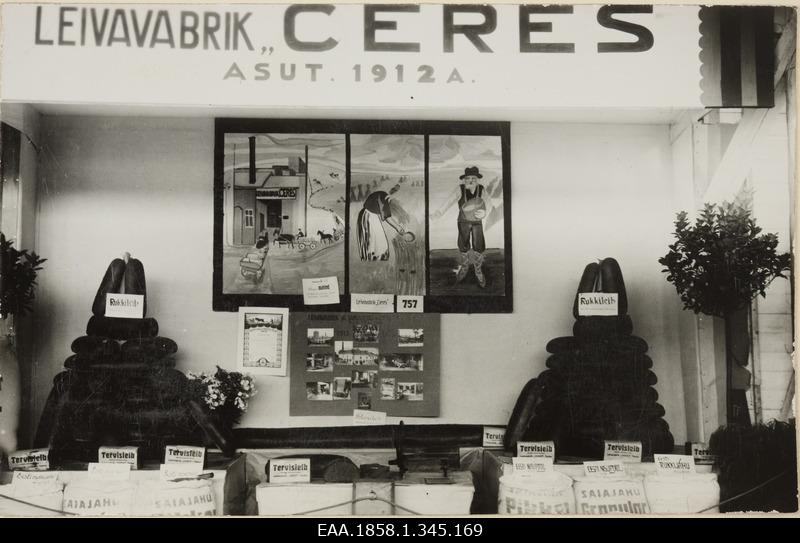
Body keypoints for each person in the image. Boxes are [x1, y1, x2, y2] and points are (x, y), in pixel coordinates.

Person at [432, 166, 488, 287]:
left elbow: (487, 203)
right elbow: (449, 201)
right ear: (464, 180)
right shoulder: (460, 189)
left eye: (473, 178)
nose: (471, 181)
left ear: (477, 179)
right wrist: (439, 212)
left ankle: (478, 270)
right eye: (468, 178)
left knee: (478, 244)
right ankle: (465, 267)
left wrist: (484, 212)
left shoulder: (482, 189)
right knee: (463, 244)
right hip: (463, 221)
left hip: (477, 221)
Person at [356, 190, 407, 261]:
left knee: (373, 245)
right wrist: (398, 228)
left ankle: (371, 260)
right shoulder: (384, 197)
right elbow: (388, 218)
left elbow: (388, 214)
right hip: (369, 218)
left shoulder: (383, 196)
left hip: (367, 216)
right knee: (376, 246)